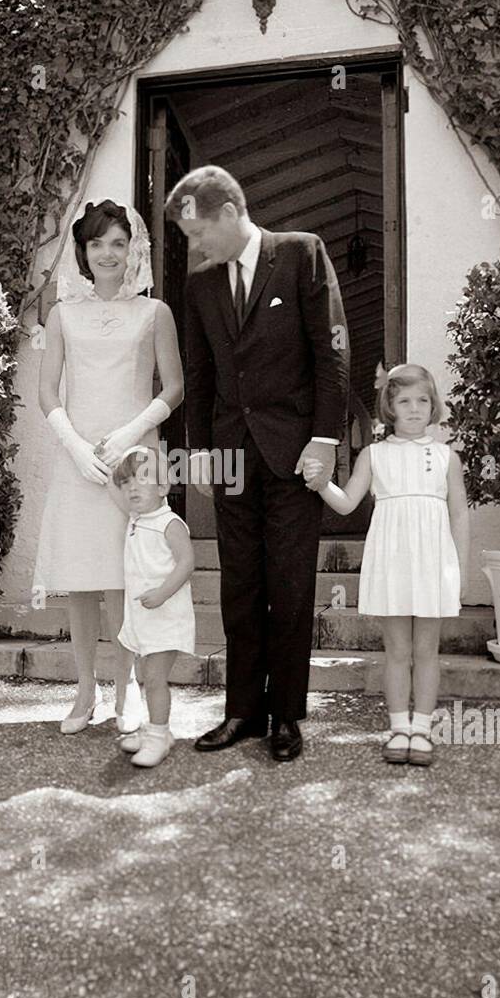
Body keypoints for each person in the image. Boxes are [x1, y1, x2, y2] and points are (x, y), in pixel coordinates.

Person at [168, 165, 349, 762]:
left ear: (227, 213)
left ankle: (286, 717)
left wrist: (325, 439)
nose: (194, 248)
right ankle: (242, 710)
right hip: (231, 456)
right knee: (240, 585)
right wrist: (200, 450)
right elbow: (199, 373)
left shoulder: (301, 255)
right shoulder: (200, 284)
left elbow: (332, 353)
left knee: (290, 587)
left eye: (196, 234)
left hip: (295, 455)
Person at [33, 200, 184, 735]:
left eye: (118, 243)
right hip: (80, 461)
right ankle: (83, 691)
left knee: (126, 575)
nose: (107, 253)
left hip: (134, 460)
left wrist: (128, 434)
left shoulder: (154, 312)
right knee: (81, 579)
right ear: (83, 251)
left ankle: (128, 693)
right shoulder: (62, 314)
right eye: (97, 244)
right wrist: (75, 446)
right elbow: (47, 389)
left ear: (133, 249)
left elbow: (175, 386)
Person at [308, 362, 470, 765]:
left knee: (427, 649)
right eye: (404, 401)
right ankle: (399, 727)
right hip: (393, 560)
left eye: (423, 400)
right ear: (390, 406)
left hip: (433, 561)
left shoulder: (447, 457)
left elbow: (460, 515)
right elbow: (346, 504)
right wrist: (319, 483)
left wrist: (460, 571)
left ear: (433, 406)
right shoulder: (374, 455)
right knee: (397, 650)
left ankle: (423, 730)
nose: (414, 409)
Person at [104, 445, 197, 766]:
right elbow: (113, 487)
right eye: (127, 482)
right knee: (146, 675)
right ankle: (155, 729)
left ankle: (158, 737)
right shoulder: (137, 519)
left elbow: (186, 563)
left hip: (165, 614)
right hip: (143, 618)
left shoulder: (169, 523)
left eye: (142, 479)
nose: (132, 487)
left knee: (155, 677)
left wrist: (161, 593)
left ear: (163, 487)